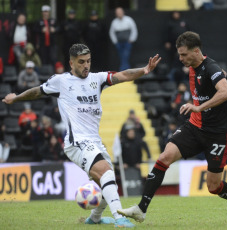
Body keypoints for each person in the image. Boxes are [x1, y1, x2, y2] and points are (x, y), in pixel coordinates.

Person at [2, 43, 161, 228]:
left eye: (88, 61)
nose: (86, 65)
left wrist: (144, 69)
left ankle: (94, 219)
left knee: (108, 182)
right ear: (71, 63)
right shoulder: (61, 81)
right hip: (76, 142)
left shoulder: (98, 79)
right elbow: (37, 91)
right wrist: (16, 98)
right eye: (81, 62)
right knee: (107, 173)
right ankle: (119, 220)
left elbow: (123, 75)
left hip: (94, 141)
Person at [117, 31, 227, 225]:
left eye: (184, 54)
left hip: (218, 134)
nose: (180, 58)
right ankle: (141, 209)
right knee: (164, 157)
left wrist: (199, 107)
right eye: (179, 54)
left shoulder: (211, 67)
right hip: (195, 126)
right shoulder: (192, 66)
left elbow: (226, 92)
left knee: (213, 186)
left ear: (196, 51)